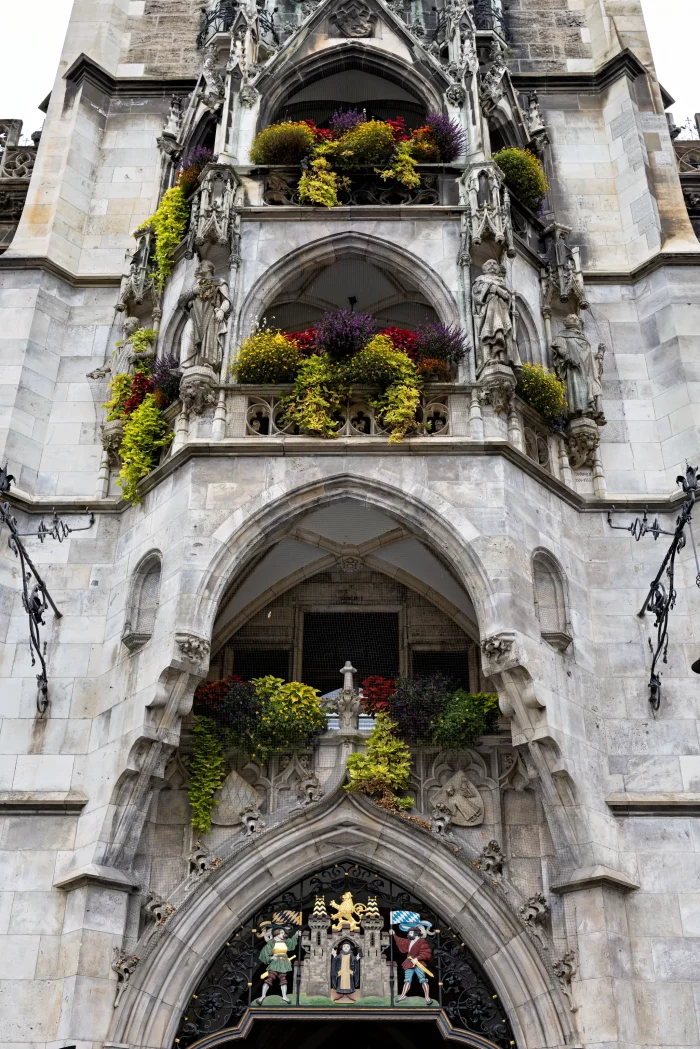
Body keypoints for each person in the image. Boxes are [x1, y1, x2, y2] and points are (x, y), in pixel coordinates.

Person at [392, 918, 434, 1004]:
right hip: (409, 963)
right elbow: (401, 941)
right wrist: (394, 935)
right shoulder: (409, 941)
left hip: (418, 964)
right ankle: (402, 996)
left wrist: (417, 958)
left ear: (416, 933)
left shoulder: (421, 941)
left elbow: (426, 952)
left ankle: (427, 997)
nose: (409, 934)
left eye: (410, 933)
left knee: (422, 980)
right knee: (407, 980)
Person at [256, 924, 299, 1004]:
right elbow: (265, 952)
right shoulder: (271, 942)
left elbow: (291, 943)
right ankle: (263, 996)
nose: (283, 934)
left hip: (283, 962)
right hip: (275, 963)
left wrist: (296, 935)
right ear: (277, 933)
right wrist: (271, 957)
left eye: (283, 933)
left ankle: (284, 997)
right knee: (270, 978)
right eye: (282, 933)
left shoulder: (285, 941)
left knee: (283, 979)